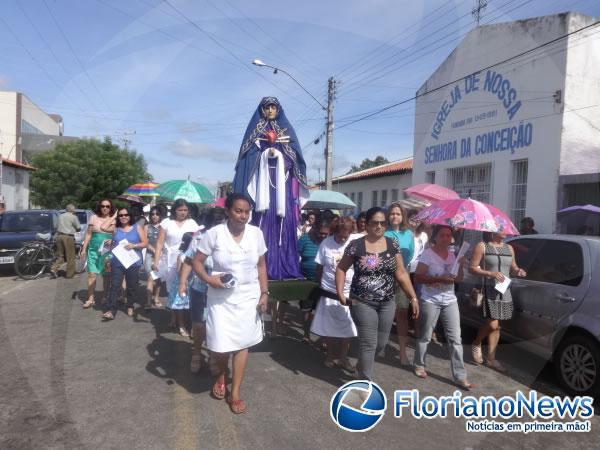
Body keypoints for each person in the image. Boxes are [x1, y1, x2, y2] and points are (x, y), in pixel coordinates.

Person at [192, 194, 269, 415]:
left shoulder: (256, 234)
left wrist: (264, 293)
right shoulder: (214, 234)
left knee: (243, 343)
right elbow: (196, 261)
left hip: (248, 296)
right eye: (238, 210)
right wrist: (209, 280)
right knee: (220, 343)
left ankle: (235, 392)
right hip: (221, 297)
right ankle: (221, 373)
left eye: (246, 211)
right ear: (228, 211)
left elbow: (261, 266)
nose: (243, 216)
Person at [336, 207, 418, 381]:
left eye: (383, 223)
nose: (379, 226)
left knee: (380, 344)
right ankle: (364, 383)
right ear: (367, 224)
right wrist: (340, 292)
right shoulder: (355, 245)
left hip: (388, 301)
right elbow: (341, 268)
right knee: (369, 342)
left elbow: (402, 272)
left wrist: (413, 296)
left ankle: (360, 368)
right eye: (375, 222)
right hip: (362, 301)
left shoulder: (392, 244)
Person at [232, 96, 308, 280]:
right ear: (262, 110)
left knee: (284, 219)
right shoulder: (255, 131)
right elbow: (247, 158)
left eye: (274, 107)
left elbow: (295, 158)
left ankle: (284, 265)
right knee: (262, 220)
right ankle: (259, 266)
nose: (270, 110)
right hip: (261, 188)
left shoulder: (286, 130)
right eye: (267, 108)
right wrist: (265, 153)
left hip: (282, 185)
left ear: (279, 110)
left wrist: (281, 156)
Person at [413, 225, 473, 389]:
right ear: (435, 237)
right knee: (425, 335)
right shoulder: (427, 254)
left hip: (449, 300)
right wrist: (438, 278)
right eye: (442, 235)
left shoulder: (454, 255)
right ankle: (419, 363)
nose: (446, 238)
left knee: (455, 339)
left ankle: (460, 376)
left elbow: (459, 279)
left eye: (448, 236)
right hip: (430, 299)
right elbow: (418, 278)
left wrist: (460, 264)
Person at [179, 207, 228, 374]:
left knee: (215, 325)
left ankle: (213, 356)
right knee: (199, 325)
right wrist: (182, 283)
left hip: (222, 291)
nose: (218, 227)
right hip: (200, 288)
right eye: (214, 224)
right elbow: (188, 261)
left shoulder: (229, 240)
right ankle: (197, 354)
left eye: (221, 223)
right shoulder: (198, 238)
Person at [470, 231, 527, 372]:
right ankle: (477, 343)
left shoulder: (509, 248)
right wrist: (490, 273)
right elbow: (472, 268)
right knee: (493, 324)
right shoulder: (482, 246)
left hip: (504, 290)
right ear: (493, 231)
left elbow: (513, 268)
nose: (505, 232)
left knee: (497, 326)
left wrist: (519, 271)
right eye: (502, 229)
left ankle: (491, 359)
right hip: (489, 289)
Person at [310, 217, 358, 371]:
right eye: (340, 236)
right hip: (329, 291)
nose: (343, 239)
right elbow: (319, 267)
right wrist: (320, 286)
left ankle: (343, 357)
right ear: (335, 232)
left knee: (348, 326)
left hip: (348, 291)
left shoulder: (355, 242)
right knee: (329, 326)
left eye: (346, 236)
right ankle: (330, 355)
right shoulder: (326, 243)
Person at [152, 199, 200, 311]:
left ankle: (183, 314)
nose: (183, 212)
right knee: (172, 288)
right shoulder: (167, 223)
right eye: (180, 210)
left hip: (187, 259)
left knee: (185, 285)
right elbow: (159, 244)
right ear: (175, 210)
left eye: (185, 210)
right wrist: (156, 261)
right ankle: (174, 315)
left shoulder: (192, 223)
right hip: (170, 259)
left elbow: (198, 242)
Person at [101, 207, 148, 320]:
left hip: (132, 261)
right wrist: (113, 216)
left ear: (130, 216)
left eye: (126, 215)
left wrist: (134, 245)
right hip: (117, 261)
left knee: (132, 286)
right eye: (121, 215)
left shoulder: (137, 227)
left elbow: (145, 243)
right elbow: (102, 227)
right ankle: (111, 310)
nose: (123, 217)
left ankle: (130, 305)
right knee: (115, 286)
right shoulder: (115, 229)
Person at [384, 202, 415, 365]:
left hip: (403, 275)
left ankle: (403, 352)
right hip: (385, 276)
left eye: (398, 214)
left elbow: (410, 255)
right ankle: (380, 345)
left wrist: (401, 270)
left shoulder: (409, 234)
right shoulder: (384, 232)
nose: (395, 216)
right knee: (385, 313)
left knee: (402, 313)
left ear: (402, 216)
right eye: (392, 214)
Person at [297, 219, 332, 342]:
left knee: (322, 312)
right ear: (315, 228)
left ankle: (323, 338)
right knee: (306, 310)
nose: (323, 236)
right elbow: (295, 255)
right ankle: (306, 335)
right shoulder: (304, 239)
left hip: (324, 283)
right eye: (321, 233)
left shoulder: (329, 242)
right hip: (307, 281)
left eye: (325, 234)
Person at [80, 199, 116, 308]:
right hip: (93, 250)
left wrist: (113, 240)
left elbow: (117, 234)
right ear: (99, 207)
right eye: (103, 206)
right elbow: (89, 234)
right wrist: (84, 248)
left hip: (107, 251)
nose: (105, 208)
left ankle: (105, 296)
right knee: (92, 274)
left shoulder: (114, 220)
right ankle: (91, 298)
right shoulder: (93, 218)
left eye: (108, 206)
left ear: (111, 208)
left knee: (106, 276)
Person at [166, 232, 194, 336]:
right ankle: (181, 325)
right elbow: (178, 270)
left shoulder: (195, 253)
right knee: (180, 306)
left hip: (192, 283)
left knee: (190, 307)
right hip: (182, 283)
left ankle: (189, 326)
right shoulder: (181, 255)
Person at [51, 204, 81, 278]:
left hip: (59, 236)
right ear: (72, 209)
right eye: (74, 209)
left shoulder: (60, 216)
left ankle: (54, 268)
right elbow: (78, 227)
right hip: (68, 237)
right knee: (70, 256)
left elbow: (56, 226)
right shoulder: (73, 217)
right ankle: (70, 275)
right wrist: (76, 229)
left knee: (60, 255)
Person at [144, 207, 163, 308]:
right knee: (150, 277)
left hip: (161, 255)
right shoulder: (147, 227)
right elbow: (145, 241)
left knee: (158, 278)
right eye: (152, 214)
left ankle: (156, 298)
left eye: (157, 214)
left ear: (160, 216)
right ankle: (148, 301)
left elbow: (165, 242)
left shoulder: (163, 227)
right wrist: (154, 250)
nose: (154, 216)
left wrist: (159, 252)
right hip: (149, 254)